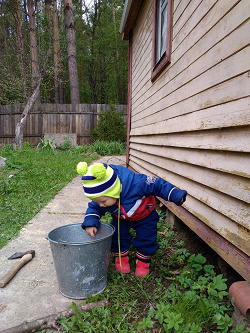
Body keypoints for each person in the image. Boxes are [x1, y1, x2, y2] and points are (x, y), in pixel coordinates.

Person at [77, 161, 187, 277]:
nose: (101, 205)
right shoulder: (101, 200)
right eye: (98, 201)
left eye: (103, 201)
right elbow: (94, 207)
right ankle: (121, 256)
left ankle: (143, 261)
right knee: (117, 235)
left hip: (145, 216)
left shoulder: (137, 183)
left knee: (147, 237)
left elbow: (157, 185)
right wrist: (90, 223)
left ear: (115, 191)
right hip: (121, 218)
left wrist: (175, 194)